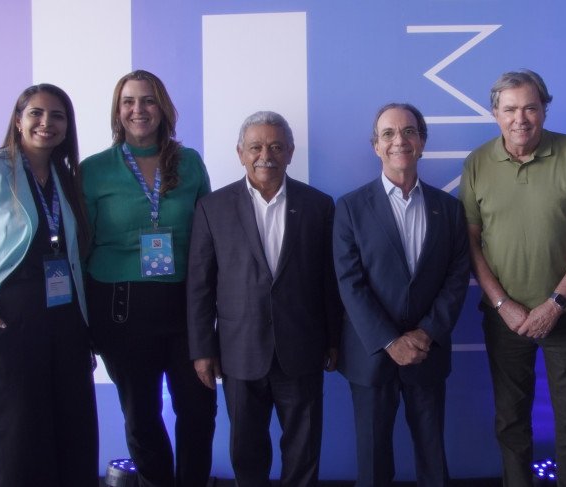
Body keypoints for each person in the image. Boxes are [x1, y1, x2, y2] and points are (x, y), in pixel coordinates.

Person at [458, 70, 566, 487]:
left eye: (530, 108)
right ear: (495, 113)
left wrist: (555, 303)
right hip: (504, 318)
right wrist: (503, 304)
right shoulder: (477, 163)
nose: (519, 118)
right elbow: (471, 244)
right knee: (511, 421)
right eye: (509, 109)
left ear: (544, 110)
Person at [0, 84, 98, 486]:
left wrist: (85, 329)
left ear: (67, 126)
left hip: (66, 323)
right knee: (15, 438)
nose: (46, 123)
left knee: (71, 434)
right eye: (36, 113)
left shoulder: (67, 178)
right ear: (18, 120)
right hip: (9, 323)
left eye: (58, 116)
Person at [187, 111, 341, 487]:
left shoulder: (319, 205)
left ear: (290, 152)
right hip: (239, 351)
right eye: (255, 147)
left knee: (303, 450)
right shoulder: (212, 207)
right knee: (246, 451)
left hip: (302, 348)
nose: (265, 155)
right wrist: (202, 348)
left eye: (275, 147)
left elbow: (330, 280)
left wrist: (335, 339)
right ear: (240, 153)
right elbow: (200, 285)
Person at [82, 70, 216, 487]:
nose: (138, 109)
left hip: (185, 308)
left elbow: (209, 236)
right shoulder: (94, 170)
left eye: (148, 100)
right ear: (117, 111)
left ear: (163, 108)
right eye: (128, 101)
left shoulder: (189, 162)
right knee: (141, 415)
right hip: (120, 308)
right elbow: (81, 248)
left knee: (199, 410)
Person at [333, 103, 470, 487]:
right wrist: (391, 341)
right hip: (372, 356)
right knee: (373, 465)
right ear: (376, 146)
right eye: (389, 134)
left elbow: (456, 278)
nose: (400, 141)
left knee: (433, 460)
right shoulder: (350, 207)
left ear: (422, 141)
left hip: (427, 352)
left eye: (409, 131)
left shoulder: (449, 209)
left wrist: (426, 333)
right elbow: (350, 282)